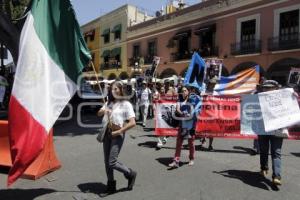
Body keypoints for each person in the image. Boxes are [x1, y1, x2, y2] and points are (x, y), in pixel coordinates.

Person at [97, 81, 137, 196]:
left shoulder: (125, 104)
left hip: (118, 133)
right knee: (107, 162)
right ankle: (111, 187)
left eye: (116, 89)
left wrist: (119, 131)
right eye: (112, 89)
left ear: (120, 90)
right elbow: (98, 113)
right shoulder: (108, 103)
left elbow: (132, 122)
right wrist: (104, 110)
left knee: (112, 161)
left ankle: (130, 173)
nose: (113, 91)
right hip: (106, 133)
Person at [257, 80, 296, 186]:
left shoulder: (284, 98)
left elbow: (291, 106)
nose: (267, 89)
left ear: (276, 88)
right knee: (263, 151)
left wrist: (293, 96)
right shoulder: (257, 97)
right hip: (262, 129)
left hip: (277, 130)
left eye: (270, 87)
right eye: (265, 87)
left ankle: (277, 176)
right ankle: (264, 168)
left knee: (276, 152)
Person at [168, 86, 201, 168]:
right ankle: (176, 161)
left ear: (188, 91)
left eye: (185, 91)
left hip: (191, 125)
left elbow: (198, 109)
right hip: (182, 124)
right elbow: (177, 109)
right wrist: (183, 113)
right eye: (182, 91)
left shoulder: (193, 99)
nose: (183, 92)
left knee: (191, 143)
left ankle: (191, 158)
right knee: (179, 142)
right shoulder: (180, 99)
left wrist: (192, 114)